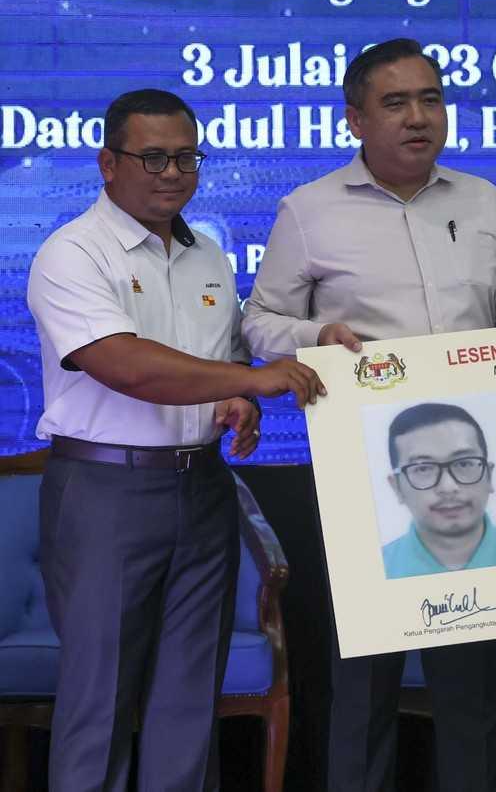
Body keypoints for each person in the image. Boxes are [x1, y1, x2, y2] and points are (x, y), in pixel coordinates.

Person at [242, 38, 496, 792]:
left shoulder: (484, 201)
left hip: (471, 469)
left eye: (431, 99)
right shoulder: (309, 211)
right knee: (362, 680)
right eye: (396, 103)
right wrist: (317, 336)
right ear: (355, 119)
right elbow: (258, 322)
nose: (420, 118)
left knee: (469, 680)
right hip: (364, 471)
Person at [25, 88, 324, 791]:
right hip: (106, 495)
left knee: (190, 702)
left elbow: (206, 368)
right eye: (152, 157)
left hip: (204, 490)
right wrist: (248, 380)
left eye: (186, 156)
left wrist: (231, 400)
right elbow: (126, 365)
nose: (171, 172)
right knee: (100, 703)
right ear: (108, 162)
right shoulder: (71, 253)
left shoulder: (209, 256)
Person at [381, 402, 496, 579]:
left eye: (464, 463)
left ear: (488, 475)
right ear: (397, 487)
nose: (448, 487)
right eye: (423, 468)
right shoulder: (376, 572)